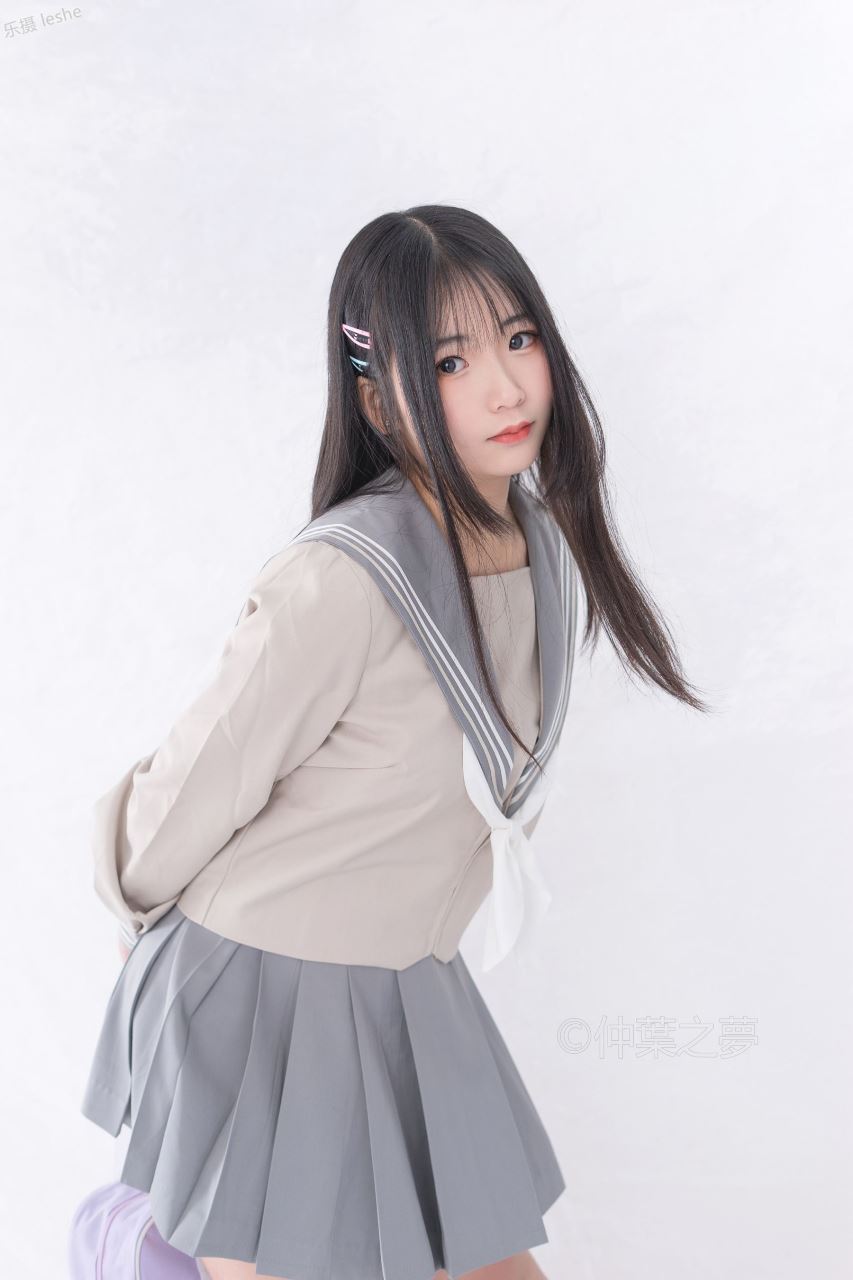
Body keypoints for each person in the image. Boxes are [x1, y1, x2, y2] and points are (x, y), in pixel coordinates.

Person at [80, 204, 709, 1280]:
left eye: (518, 338)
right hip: (254, 992)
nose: (505, 387)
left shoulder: (544, 551)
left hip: (406, 982)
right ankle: (138, 1243)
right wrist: (130, 899)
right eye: (451, 360)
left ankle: (157, 1244)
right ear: (379, 398)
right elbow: (201, 779)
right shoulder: (340, 578)